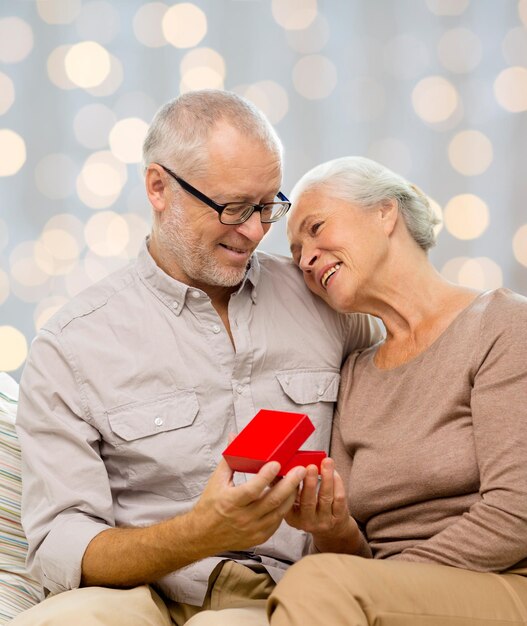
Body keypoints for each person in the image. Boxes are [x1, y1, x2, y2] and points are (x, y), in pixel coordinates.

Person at [13, 93, 380, 626]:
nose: (255, 231)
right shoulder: (72, 345)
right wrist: (201, 533)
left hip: (287, 594)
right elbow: (61, 544)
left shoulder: (329, 307)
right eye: (233, 208)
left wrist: (337, 525)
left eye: (267, 207)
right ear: (158, 187)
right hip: (140, 591)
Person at [267, 156, 527, 625]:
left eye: (316, 227)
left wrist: (376, 583)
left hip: (503, 581)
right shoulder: (355, 376)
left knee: (314, 582)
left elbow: (517, 512)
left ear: (385, 213)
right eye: (296, 251)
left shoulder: (502, 326)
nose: (305, 258)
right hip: (389, 596)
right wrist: (335, 530)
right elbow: (356, 556)